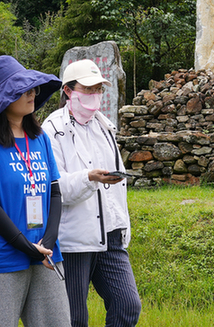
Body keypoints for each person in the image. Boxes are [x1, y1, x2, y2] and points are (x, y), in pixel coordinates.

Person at [0, 55, 70, 327]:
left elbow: (55, 192)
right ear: (3, 97)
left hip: (45, 254)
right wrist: (25, 246)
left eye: (33, 87)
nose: (32, 93)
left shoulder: (40, 138)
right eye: (23, 89)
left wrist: (47, 241)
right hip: (2, 258)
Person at [42, 59, 142, 327]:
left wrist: (123, 224)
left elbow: (117, 186)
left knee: (127, 305)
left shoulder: (104, 127)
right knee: (74, 318)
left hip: (110, 233)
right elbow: (55, 188)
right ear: (67, 91)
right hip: (75, 238)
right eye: (87, 88)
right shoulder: (52, 130)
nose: (94, 94)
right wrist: (88, 178)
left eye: (98, 88)